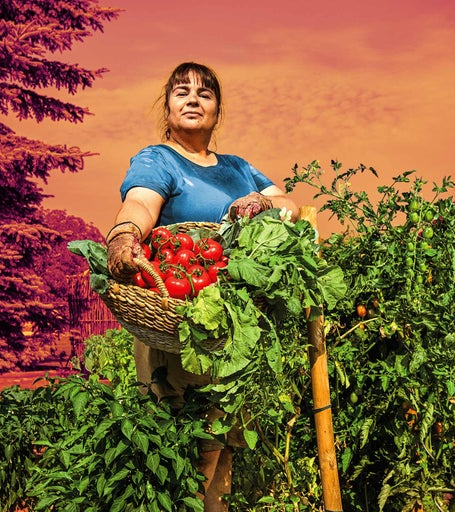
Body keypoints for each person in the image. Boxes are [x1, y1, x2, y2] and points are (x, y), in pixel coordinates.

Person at [104, 62, 299, 511]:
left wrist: (263, 201)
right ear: (167, 107)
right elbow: (139, 203)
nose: (193, 99)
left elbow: (288, 204)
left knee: (223, 446)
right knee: (189, 448)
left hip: (234, 326)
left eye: (204, 93)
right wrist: (124, 234)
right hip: (179, 323)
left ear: (217, 109)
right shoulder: (158, 159)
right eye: (182, 91)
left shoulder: (237, 167)